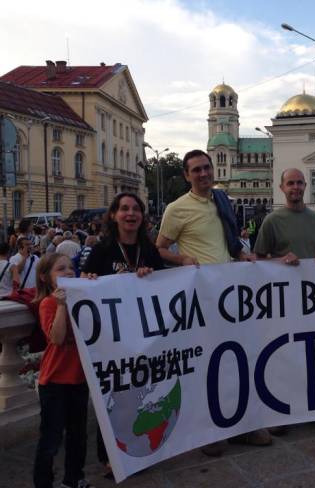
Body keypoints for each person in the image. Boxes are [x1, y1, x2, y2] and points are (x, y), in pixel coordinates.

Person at [156, 150, 270, 456]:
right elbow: (160, 249)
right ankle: (208, 432)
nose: (204, 173)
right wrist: (182, 258)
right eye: (196, 170)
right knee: (208, 364)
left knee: (236, 360)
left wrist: (242, 255)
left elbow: (230, 244)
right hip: (203, 297)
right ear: (186, 175)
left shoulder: (222, 200)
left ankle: (241, 426)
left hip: (228, 293)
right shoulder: (176, 209)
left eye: (206, 167)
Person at [81, 192, 164, 477]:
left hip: (142, 338)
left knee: (138, 395)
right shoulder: (102, 250)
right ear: (114, 215)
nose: (131, 214)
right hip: (111, 339)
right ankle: (109, 455)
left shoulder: (149, 250)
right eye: (124, 209)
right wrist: (91, 281)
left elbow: (163, 287)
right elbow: (84, 284)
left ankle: (140, 447)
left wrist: (151, 275)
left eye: (136, 209)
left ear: (142, 216)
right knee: (113, 397)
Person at [254, 167, 315, 432]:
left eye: (300, 183)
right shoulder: (272, 221)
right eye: (291, 183)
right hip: (283, 302)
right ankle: (281, 413)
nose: (296, 187)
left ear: (305, 186)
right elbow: (259, 260)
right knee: (284, 355)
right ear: (282, 188)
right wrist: (280, 261)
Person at [32, 253, 92, 488]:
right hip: (55, 381)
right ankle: (43, 483)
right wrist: (60, 306)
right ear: (45, 277)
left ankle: (74, 479)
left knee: (78, 435)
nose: (68, 271)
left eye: (70, 267)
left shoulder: (80, 298)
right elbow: (56, 338)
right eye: (60, 269)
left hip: (79, 379)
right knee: (51, 439)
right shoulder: (48, 303)